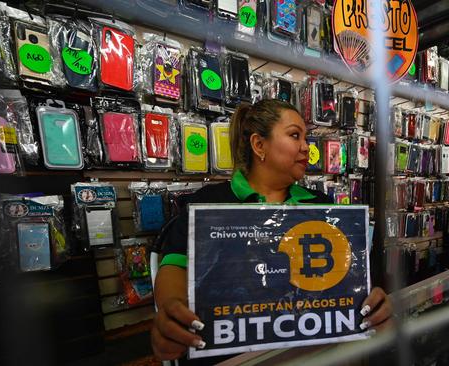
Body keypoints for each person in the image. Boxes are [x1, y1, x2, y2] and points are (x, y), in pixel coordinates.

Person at [151, 100, 392, 363]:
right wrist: (172, 314)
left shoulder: (323, 205)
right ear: (259, 145)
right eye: (294, 135)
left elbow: (351, 279)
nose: (306, 146)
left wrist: (373, 307)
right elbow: (174, 266)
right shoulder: (208, 205)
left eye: (306, 137)